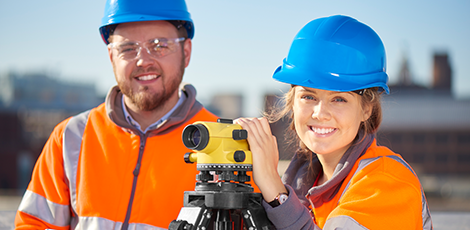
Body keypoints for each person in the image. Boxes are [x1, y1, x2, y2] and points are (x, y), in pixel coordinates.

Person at [15, 0, 218, 229]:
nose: (143, 60)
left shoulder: (224, 144)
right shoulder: (70, 137)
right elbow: (34, 224)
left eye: (159, 45)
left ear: (186, 52)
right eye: (128, 48)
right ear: (112, 56)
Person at [236, 15, 433, 229]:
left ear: (366, 108)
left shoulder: (388, 183)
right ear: (292, 103)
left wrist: (275, 192)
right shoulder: (300, 184)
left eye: (339, 99)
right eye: (308, 97)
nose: (320, 113)